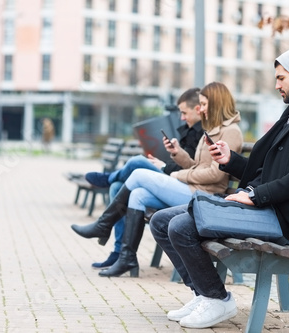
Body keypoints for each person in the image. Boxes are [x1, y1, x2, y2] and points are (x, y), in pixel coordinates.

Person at [149, 46, 289, 329]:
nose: (276, 85)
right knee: (161, 220)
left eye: (280, 78)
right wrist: (232, 161)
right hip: (260, 206)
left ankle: (217, 299)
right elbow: (264, 170)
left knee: (180, 227)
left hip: (278, 217)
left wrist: (254, 195)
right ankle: (205, 294)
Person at [71, 82, 244, 277]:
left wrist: (177, 174)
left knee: (138, 174)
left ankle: (103, 225)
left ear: (216, 103)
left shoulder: (230, 131)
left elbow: (216, 174)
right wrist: (177, 154)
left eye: (204, 104)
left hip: (204, 197)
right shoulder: (213, 128)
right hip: (192, 188)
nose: (201, 109)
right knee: (138, 194)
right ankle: (127, 257)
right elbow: (196, 165)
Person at [87, 88, 204, 269]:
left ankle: (107, 184)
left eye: (184, 112)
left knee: (137, 162)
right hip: (174, 179)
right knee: (117, 187)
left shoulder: (205, 133)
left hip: (182, 184)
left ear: (198, 108)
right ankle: (120, 253)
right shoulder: (189, 131)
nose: (181, 117)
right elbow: (188, 164)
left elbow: (195, 169)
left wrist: (164, 166)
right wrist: (171, 156)